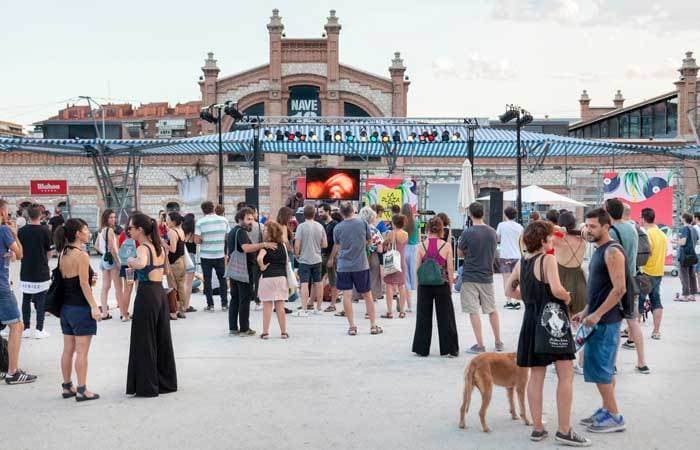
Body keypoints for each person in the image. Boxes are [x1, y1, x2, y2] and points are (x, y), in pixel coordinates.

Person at [505, 220, 589, 446]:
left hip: (531, 321)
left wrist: (530, 297)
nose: (552, 240)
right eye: (550, 237)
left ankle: (538, 428)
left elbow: (508, 290)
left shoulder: (522, 263)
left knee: (537, 375)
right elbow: (556, 289)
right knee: (565, 374)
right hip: (553, 321)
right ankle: (564, 430)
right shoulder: (548, 259)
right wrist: (567, 296)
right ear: (543, 241)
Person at [573, 208, 626, 433]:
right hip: (597, 317)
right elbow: (600, 289)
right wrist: (586, 310)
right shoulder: (599, 249)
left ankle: (614, 416)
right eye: (587, 225)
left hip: (606, 321)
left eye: (593, 226)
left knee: (600, 369)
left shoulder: (612, 252)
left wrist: (597, 314)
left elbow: (619, 289)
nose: (588, 230)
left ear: (606, 226)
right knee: (604, 369)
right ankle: (607, 409)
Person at [126, 213, 177, 397]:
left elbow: (141, 263)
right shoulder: (159, 247)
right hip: (159, 293)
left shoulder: (143, 248)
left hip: (147, 293)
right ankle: (165, 382)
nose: (128, 231)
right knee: (161, 338)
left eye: (130, 228)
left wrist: (130, 261)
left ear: (140, 229)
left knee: (144, 339)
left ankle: (146, 385)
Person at [55, 218, 102, 401]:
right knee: (82, 351)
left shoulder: (63, 253)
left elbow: (70, 280)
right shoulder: (82, 255)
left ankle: (67, 386)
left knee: (68, 349)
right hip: (80, 308)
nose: (88, 232)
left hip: (65, 309)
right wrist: (94, 306)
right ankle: (82, 389)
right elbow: (83, 284)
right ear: (78, 234)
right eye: (85, 229)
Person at [605, 199, 649, 374]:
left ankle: (612, 363)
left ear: (608, 213)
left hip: (615, 281)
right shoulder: (632, 228)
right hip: (631, 278)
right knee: (633, 321)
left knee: (613, 323)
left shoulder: (611, 232)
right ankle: (642, 362)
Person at [329, 202, 382, 336]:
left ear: (341, 213)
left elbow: (337, 245)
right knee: (367, 295)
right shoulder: (362, 223)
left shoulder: (338, 228)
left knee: (347, 295)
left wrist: (331, 258)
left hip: (343, 266)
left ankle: (352, 326)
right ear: (353, 210)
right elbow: (369, 241)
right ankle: (373, 326)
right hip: (361, 265)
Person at [458, 202, 503, 353]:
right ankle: (498, 341)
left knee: (473, 311)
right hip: (487, 275)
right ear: (483, 213)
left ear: (470, 214)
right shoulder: (492, 232)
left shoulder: (467, 233)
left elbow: (459, 252)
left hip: (470, 275)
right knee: (492, 309)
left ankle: (480, 344)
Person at [0, 199, 37, 384]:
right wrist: (15, 235)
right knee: (17, 326)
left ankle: (3, 367)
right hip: (1, 287)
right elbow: (20, 254)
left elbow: (11, 257)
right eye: (6, 211)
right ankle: (12, 372)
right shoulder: (4, 231)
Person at [412, 216, 459, 357]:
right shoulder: (447, 246)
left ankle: (421, 348)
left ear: (427, 229)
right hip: (442, 284)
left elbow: (417, 268)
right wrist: (450, 285)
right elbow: (450, 269)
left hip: (424, 285)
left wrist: (418, 285)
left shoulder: (421, 246)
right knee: (446, 317)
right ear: (441, 229)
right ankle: (450, 348)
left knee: (423, 317)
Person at [227, 207, 276, 336]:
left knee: (235, 299)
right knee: (244, 299)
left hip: (234, 270)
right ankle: (244, 328)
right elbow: (246, 248)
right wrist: (264, 244)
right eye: (248, 219)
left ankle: (233, 327)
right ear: (240, 219)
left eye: (253, 219)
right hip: (243, 270)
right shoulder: (241, 232)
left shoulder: (233, 231)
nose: (251, 222)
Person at [553, 211, 588, 374]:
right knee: (580, 322)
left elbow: (546, 230)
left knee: (561, 322)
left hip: (561, 277)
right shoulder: (583, 238)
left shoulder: (559, 239)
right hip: (579, 278)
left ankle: (561, 360)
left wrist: (559, 229)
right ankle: (580, 362)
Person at [17, 204, 53, 339]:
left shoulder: (22, 231)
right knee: (41, 299)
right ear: (41, 215)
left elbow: (18, 250)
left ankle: (26, 328)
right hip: (41, 270)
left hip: (26, 269)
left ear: (28, 216)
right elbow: (49, 251)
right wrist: (45, 262)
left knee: (26, 298)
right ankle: (39, 329)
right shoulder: (45, 231)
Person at [256, 221, 289, 339]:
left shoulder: (266, 246)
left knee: (267, 306)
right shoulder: (282, 246)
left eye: (265, 230)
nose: (263, 232)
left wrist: (262, 266)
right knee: (280, 306)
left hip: (268, 277)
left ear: (270, 233)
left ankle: (265, 332)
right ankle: (283, 332)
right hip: (281, 277)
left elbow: (260, 258)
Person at [195, 200, 229, 312]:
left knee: (207, 281)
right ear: (213, 208)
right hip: (219, 254)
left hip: (206, 256)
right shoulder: (224, 220)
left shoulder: (200, 222)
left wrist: (205, 240)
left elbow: (197, 240)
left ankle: (210, 305)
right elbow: (227, 236)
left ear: (203, 210)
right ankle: (224, 304)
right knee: (222, 280)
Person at [294, 205, 327, 316]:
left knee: (304, 284)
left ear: (304, 215)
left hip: (304, 259)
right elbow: (325, 244)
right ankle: (318, 309)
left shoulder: (301, 227)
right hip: (317, 259)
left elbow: (297, 245)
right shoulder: (320, 226)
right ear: (314, 214)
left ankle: (304, 309)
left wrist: (297, 255)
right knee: (318, 283)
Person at [639, 208, 667, 340]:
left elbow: (648, 249)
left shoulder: (647, 233)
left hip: (646, 272)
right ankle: (656, 331)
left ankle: (633, 332)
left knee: (639, 302)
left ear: (643, 219)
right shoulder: (662, 234)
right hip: (658, 272)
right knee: (656, 301)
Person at [382, 214, 410, 319]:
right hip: (401, 261)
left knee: (389, 285)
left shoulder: (391, 233)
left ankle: (389, 311)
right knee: (401, 285)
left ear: (394, 223)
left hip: (392, 261)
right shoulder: (406, 234)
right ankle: (402, 311)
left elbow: (385, 244)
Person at [496, 206, 524, 310]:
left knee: (506, 279)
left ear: (505, 215)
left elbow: (497, 237)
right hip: (517, 255)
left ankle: (508, 301)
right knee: (518, 279)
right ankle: (517, 301)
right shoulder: (520, 227)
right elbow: (522, 240)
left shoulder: (501, 225)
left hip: (505, 255)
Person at [98, 209, 122, 320]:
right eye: (110, 217)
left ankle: (104, 313)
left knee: (105, 286)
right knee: (118, 287)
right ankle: (123, 312)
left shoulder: (101, 230)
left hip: (104, 259)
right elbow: (112, 248)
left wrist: (104, 252)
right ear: (106, 219)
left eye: (114, 217)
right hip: (112, 259)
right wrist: (117, 261)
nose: (113, 219)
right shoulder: (110, 231)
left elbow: (96, 246)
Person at [359, 206, 384, 304]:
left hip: (360, 255)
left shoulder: (358, 229)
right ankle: (373, 296)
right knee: (373, 277)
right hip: (373, 256)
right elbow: (380, 248)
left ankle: (356, 295)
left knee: (359, 276)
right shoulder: (375, 230)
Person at [166, 212, 187, 319]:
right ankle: (182, 309)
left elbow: (173, 249)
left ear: (173, 221)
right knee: (181, 286)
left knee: (173, 287)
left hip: (174, 262)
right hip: (182, 261)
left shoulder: (172, 232)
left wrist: (163, 243)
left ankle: (174, 310)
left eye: (168, 219)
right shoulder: (181, 230)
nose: (166, 221)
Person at [319, 204, 339, 312]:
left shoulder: (335, 225)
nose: (320, 214)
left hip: (330, 256)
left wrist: (332, 258)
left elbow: (337, 243)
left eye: (322, 212)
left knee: (333, 281)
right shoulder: (322, 224)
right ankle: (312, 303)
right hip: (322, 256)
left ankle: (333, 304)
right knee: (317, 280)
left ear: (328, 211)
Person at [117, 222, 138, 321]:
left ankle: (124, 314)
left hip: (126, 265)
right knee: (137, 290)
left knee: (127, 290)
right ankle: (135, 313)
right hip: (136, 265)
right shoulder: (137, 234)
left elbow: (119, 248)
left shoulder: (122, 234)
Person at [246, 205, 265, 311]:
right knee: (257, 279)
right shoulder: (260, 226)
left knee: (247, 278)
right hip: (256, 254)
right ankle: (258, 301)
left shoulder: (243, 227)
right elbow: (263, 241)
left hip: (246, 254)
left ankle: (247, 298)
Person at [676, 212, 698, 302]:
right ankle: (693, 295)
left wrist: (676, 241)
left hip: (684, 255)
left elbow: (683, 242)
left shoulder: (685, 228)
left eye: (681, 217)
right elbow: (696, 240)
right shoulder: (693, 229)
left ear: (684, 219)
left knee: (684, 275)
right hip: (692, 254)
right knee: (692, 275)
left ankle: (685, 295)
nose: (681, 219)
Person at [402, 203, 418, 311]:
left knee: (406, 277)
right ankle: (419, 303)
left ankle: (409, 306)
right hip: (415, 249)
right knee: (416, 276)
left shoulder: (402, 223)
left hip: (405, 249)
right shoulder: (417, 222)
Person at [181, 213, 197, 313]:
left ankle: (181, 305)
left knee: (181, 284)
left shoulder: (181, 230)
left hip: (181, 257)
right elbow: (197, 241)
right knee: (189, 284)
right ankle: (186, 306)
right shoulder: (193, 232)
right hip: (190, 257)